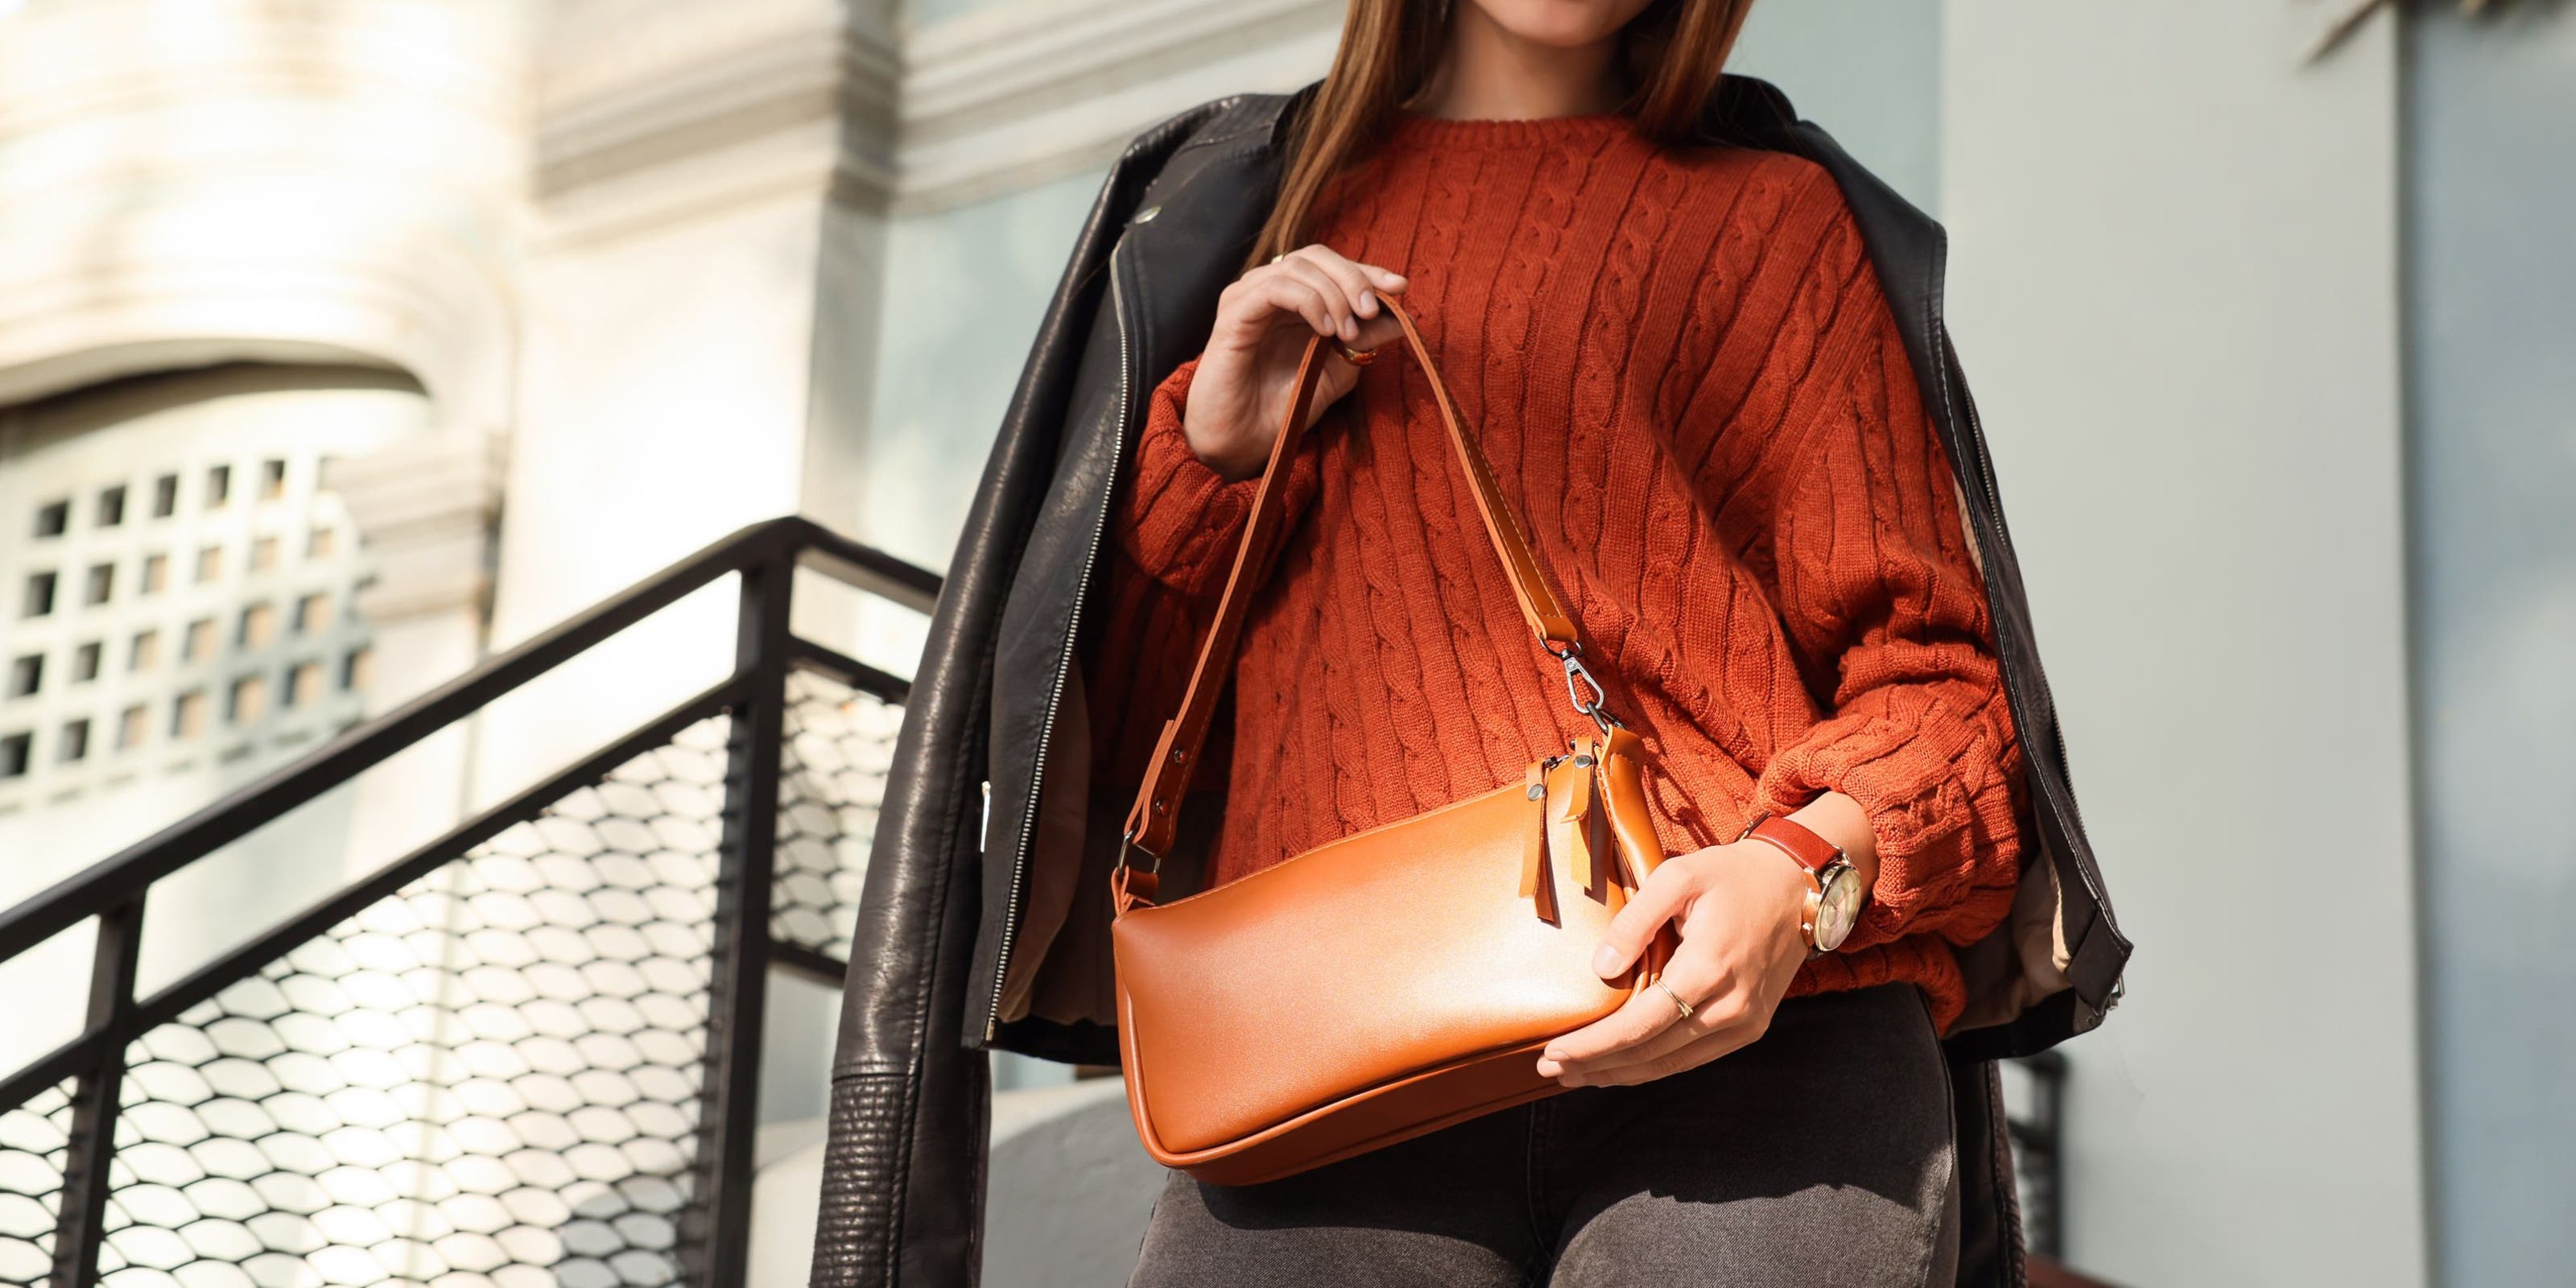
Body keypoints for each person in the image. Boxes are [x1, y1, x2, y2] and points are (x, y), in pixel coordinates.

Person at [1090, 0, 2017, 1282]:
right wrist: (1220, 457)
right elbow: (1101, 750)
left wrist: (1795, 875)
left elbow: (1942, 678)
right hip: (1318, 1071)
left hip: (1753, 1043)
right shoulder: (1239, 228)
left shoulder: (1772, 220)